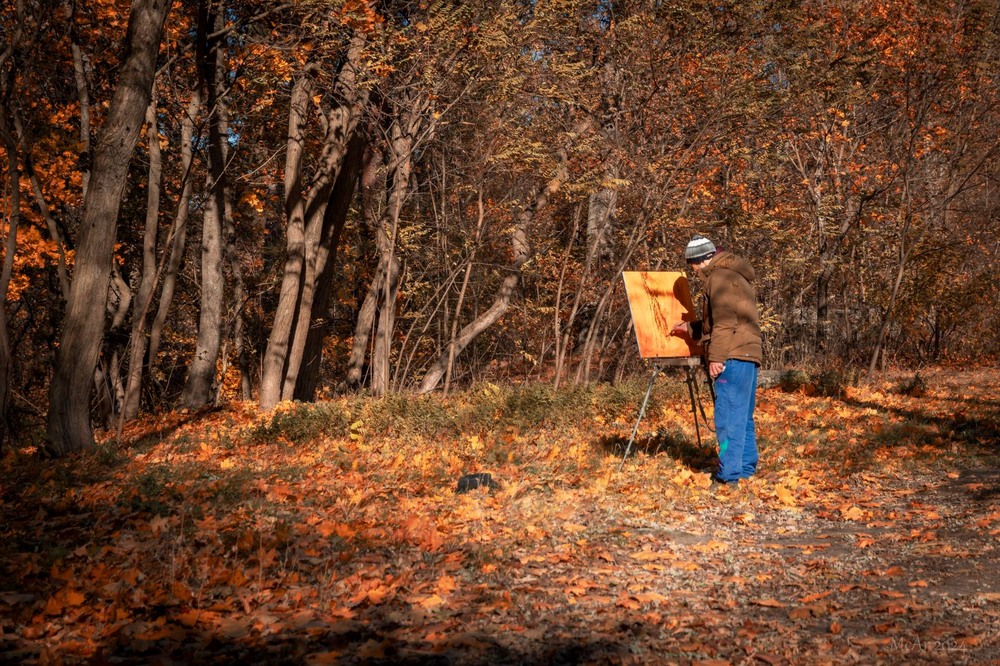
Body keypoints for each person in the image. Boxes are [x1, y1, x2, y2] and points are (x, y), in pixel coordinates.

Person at [671, 234, 762, 488]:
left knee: (728, 416)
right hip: (747, 352)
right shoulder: (736, 275)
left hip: (731, 354)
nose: (695, 271)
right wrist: (690, 328)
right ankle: (744, 468)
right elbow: (727, 320)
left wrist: (716, 358)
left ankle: (728, 477)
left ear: (701, 260)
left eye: (693, 266)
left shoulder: (718, 277)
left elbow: (725, 324)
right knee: (742, 415)